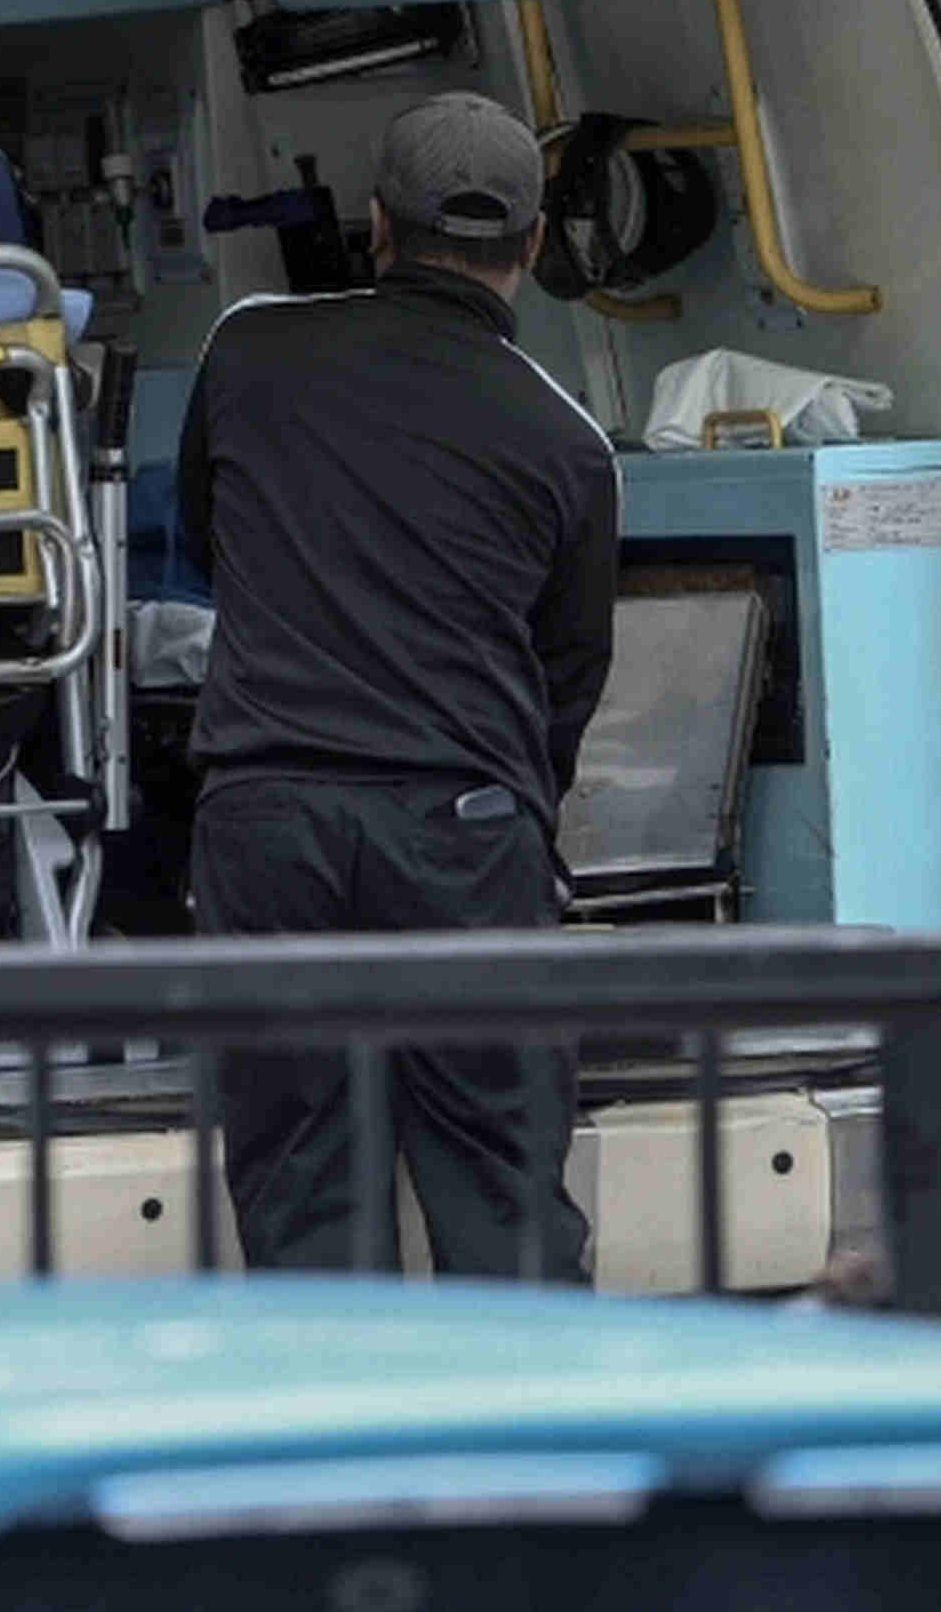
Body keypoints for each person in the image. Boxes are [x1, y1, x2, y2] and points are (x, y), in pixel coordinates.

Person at [175, 90, 617, 1280]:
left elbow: (207, 545)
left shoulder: (248, 348)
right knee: (499, 1176)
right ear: (530, 247)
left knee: (303, 1178)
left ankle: (338, 1455)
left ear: (376, 225)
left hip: (266, 825)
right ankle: (533, 1457)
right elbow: (567, 670)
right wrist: (511, 811)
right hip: (463, 836)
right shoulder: (567, 438)